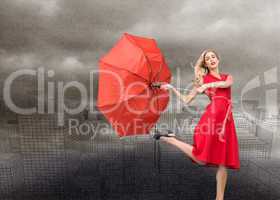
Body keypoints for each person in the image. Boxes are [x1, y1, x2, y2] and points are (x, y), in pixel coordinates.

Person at [153, 49, 240, 200]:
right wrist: (172, 88)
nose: (211, 59)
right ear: (205, 64)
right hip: (212, 119)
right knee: (201, 159)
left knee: (223, 162)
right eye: (208, 58)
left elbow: (226, 84)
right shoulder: (202, 80)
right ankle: (171, 139)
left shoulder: (227, 77)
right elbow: (187, 100)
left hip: (226, 121)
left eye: (213, 57)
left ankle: (219, 199)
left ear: (218, 59)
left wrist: (207, 86)